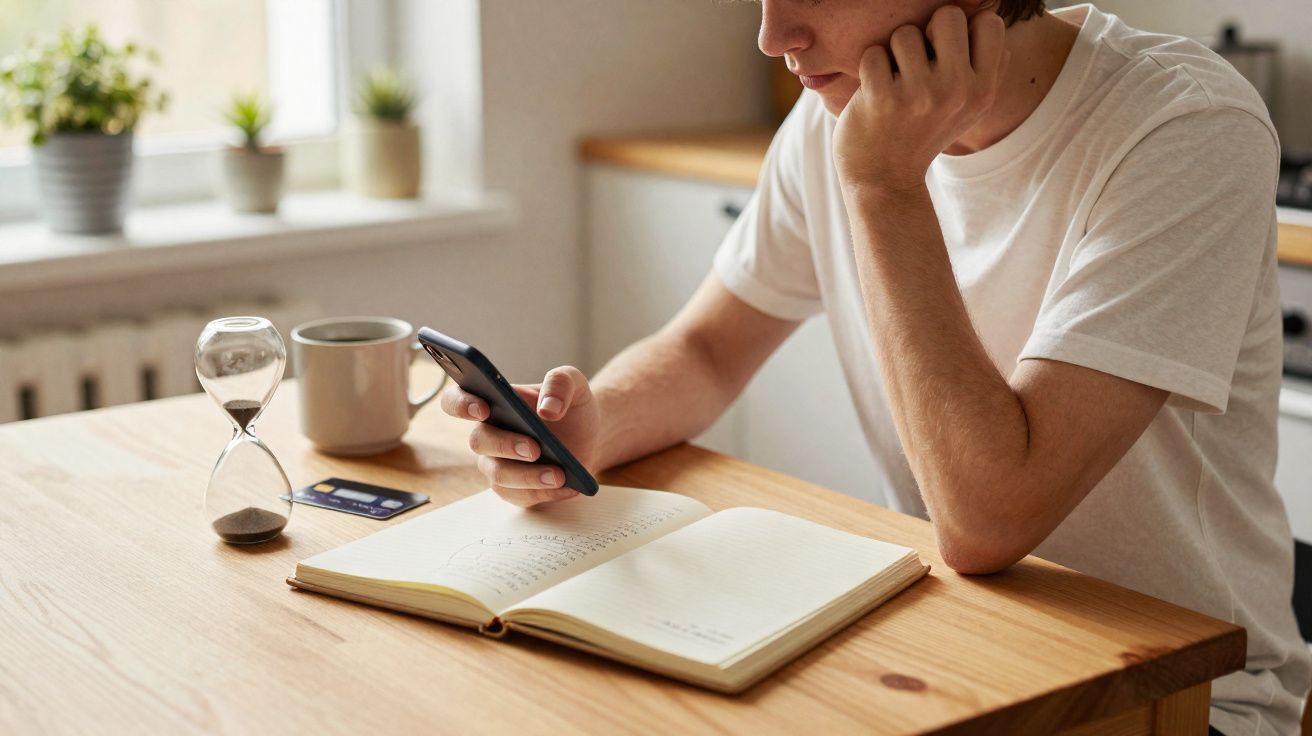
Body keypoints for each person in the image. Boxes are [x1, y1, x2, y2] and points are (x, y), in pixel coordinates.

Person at [441, 1, 1309, 732]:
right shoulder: (838, 121)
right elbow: (706, 349)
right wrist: (595, 422)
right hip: (963, 648)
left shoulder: (1185, 125)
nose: (773, 34)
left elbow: (986, 520)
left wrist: (884, 188)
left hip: (1192, 701)